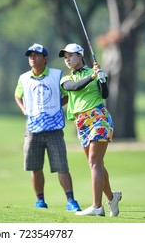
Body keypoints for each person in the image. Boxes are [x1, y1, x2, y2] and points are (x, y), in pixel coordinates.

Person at [14, 43, 81, 211]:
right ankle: (40, 201)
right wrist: (23, 109)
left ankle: (71, 201)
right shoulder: (23, 78)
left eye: (36, 55)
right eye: (30, 55)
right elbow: (17, 95)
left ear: (45, 58)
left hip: (54, 129)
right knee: (35, 167)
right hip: (33, 128)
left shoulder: (57, 75)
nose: (32, 57)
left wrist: (57, 106)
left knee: (61, 166)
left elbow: (67, 95)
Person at [58, 43, 122, 217]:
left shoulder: (95, 73)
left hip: (99, 117)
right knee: (96, 164)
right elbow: (75, 87)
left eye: (71, 55)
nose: (68, 59)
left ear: (80, 56)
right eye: (65, 57)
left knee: (94, 162)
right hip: (81, 122)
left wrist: (101, 78)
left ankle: (97, 207)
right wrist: (93, 76)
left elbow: (105, 94)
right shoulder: (65, 79)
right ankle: (112, 197)